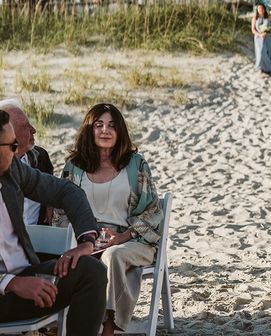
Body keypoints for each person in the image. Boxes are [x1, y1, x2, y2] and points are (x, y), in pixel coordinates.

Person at [58, 103, 162, 336]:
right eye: (99, 125)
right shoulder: (73, 167)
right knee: (73, 257)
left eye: (112, 126)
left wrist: (122, 237)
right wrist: (83, 239)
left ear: (120, 131)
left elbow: (153, 210)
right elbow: (62, 212)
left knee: (113, 255)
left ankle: (109, 326)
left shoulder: (136, 164)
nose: (105, 130)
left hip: (131, 239)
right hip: (86, 238)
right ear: (89, 129)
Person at [0, 109, 107, 335]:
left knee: (90, 271)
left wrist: (86, 241)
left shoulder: (12, 169)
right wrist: (10, 283)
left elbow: (66, 192)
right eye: (11, 146)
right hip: (7, 289)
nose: (17, 150)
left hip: (28, 277)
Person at [0, 99, 54, 225]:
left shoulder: (41, 157)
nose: (34, 130)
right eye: (25, 126)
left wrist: (50, 204)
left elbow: (52, 189)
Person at [251, 2, 271, 75]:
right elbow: (253, 29)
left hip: (269, 38)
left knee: (269, 53)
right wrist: (259, 34)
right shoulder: (255, 18)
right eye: (259, 8)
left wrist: (267, 32)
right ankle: (261, 68)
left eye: (262, 8)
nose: (260, 10)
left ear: (264, 9)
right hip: (259, 38)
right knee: (261, 52)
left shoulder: (269, 17)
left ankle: (268, 70)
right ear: (257, 10)